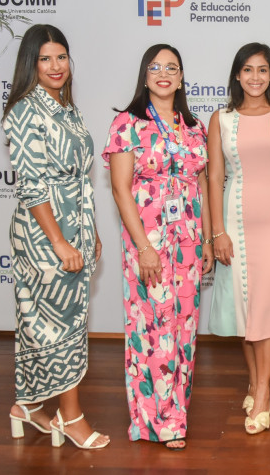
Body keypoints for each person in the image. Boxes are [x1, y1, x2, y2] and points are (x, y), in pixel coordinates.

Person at [4, 24, 109, 449]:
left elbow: (82, 180)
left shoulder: (68, 109)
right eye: (45, 58)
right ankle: (71, 417)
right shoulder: (25, 111)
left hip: (75, 226)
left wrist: (91, 231)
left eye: (61, 57)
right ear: (31, 64)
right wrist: (59, 242)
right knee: (61, 326)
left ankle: (26, 407)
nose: (55, 66)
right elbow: (31, 185)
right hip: (44, 234)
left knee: (42, 324)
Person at [103, 44, 212, 450]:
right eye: (155, 66)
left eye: (172, 67)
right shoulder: (126, 124)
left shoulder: (194, 126)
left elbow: (201, 183)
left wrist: (203, 239)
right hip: (146, 241)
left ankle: (175, 414)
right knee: (151, 328)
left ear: (182, 77)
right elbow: (119, 189)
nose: (163, 73)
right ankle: (153, 421)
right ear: (144, 75)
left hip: (188, 241)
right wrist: (144, 247)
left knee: (182, 329)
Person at [207, 43, 270, 435]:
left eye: (262, 70)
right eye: (247, 70)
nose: (255, 77)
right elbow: (215, 178)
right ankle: (254, 381)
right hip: (234, 223)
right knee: (244, 307)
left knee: (269, 307)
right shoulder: (222, 118)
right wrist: (217, 231)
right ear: (237, 75)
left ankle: (264, 390)